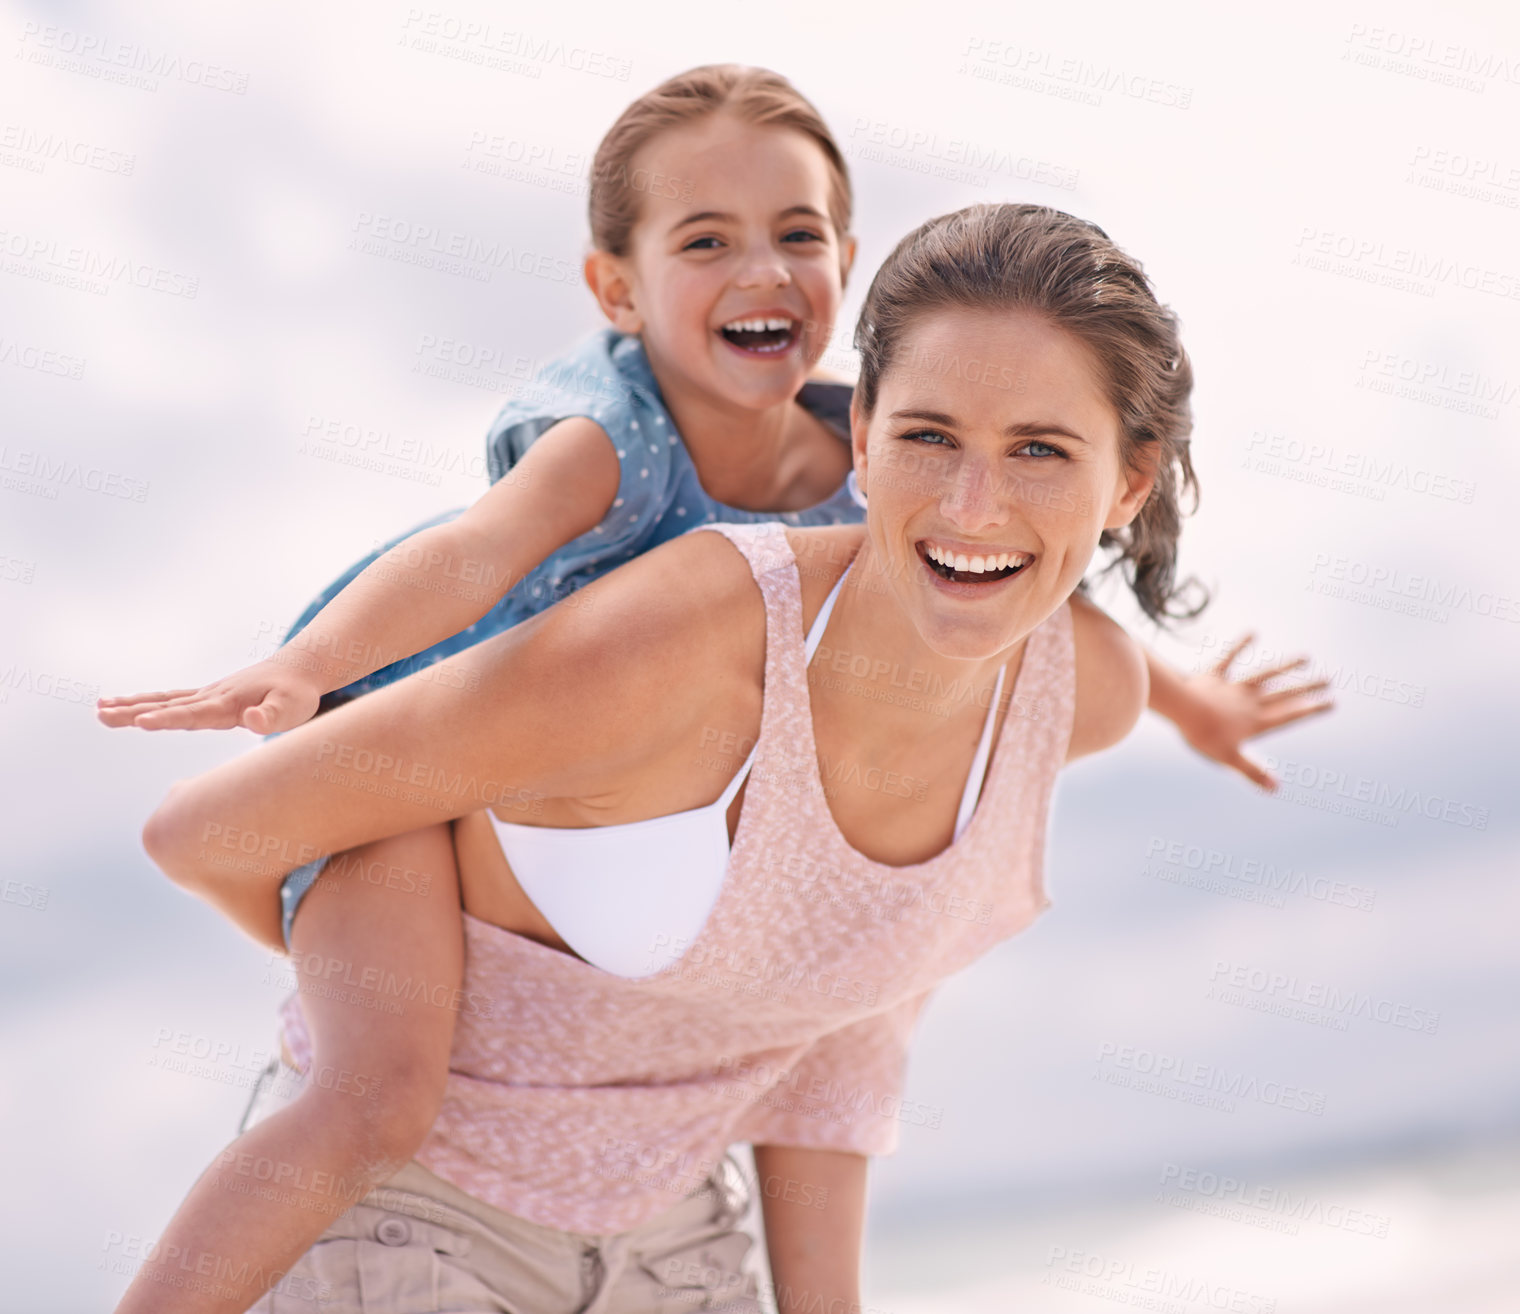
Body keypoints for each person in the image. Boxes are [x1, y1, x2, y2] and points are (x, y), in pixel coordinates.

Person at [134, 201, 1334, 1312]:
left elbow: (836, 1046)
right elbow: (201, 831)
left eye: (1038, 450)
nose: (974, 504)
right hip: (412, 1230)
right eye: (928, 435)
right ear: (858, 435)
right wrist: (377, 922)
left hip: (685, 1254)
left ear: (1125, 480)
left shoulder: (1080, 696)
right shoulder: (679, 641)